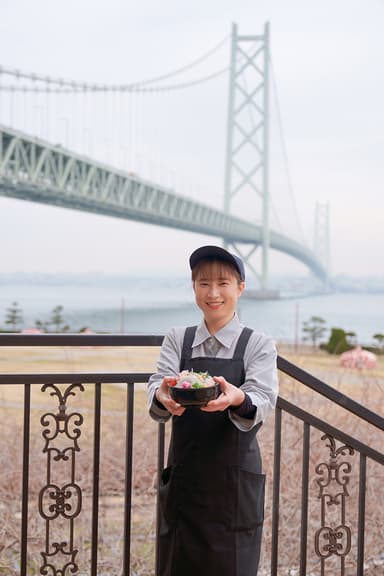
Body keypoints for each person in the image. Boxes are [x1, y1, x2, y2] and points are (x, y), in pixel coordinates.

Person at [147, 245, 278, 576]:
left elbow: (263, 397)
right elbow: (157, 385)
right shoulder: (178, 339)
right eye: (203, 283)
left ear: (240, 288)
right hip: (185, 482)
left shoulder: (258, 343)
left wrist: (237, 398)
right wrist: (164, 397)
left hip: (233, 488)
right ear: (194, 288)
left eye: (223, 283)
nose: (213, 293)